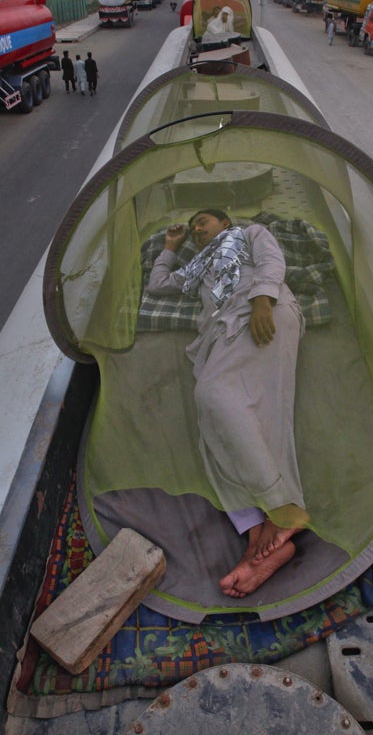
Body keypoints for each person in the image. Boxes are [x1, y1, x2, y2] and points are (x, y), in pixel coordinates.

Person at [146, 209, 309, 598]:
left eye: (205, 221)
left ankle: (283, 507)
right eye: (195, 227)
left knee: (217, 398)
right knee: (213, 435)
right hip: (224, 335)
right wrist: (171, 247)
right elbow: (158, 285)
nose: (199, 228)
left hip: (260, 318)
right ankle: (256, 543)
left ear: (226, 223)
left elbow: (272, 260)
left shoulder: (251, 233)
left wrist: (263, 300)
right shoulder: (199, 267)